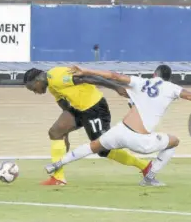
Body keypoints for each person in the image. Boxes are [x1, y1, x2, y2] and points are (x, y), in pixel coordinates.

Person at [45, 65, 191, 186]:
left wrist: (86, 70)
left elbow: (113, 75)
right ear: (168, 78)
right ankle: (149, 177)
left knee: (92, 146)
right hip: (140, 141)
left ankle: (56, 164)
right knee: (174, 141)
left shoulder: (141, 82)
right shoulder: (171, 87)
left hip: (119, 131)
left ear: (154, 75)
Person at [23, 66, 151, 185]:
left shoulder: (58, 77)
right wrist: (65, 132)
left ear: (38, 79)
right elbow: (64, 104)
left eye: (33, 88)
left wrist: (116, 87)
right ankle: (58, 178)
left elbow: (87, 78)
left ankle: (144, 165)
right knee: (55, 132)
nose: (35, 91)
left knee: (104, 150)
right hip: (78, 109)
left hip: (95, 109)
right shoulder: (51, 85)